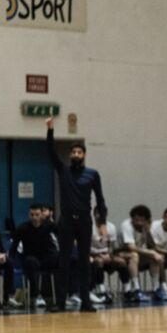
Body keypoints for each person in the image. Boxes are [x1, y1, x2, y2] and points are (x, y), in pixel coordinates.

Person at [46, 116, 106, 313]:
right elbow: (50, 152)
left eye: (79, 152)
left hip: (84, 222)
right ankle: (61, 302)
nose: (75, 154)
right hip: (66, 223)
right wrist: (50, 130)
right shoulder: (63, 171)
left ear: (84, 154)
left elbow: (100, 199)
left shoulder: (93, 174)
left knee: (84, 263)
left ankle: (86, 302)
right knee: (63, 262)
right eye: (73, 152)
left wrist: (102, 222)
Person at [118, 205, 167, 301]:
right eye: (136, 220)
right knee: (135, 255)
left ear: (146, 220)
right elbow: (130, 247)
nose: (138, 223)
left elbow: (153, 246)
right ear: (132, 218)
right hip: (120, 253)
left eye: (141, 220)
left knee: (156, 257)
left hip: (136, 254)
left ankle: (156, 289)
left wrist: (148, 231)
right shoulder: (126, 225)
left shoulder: (145, 227)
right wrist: (152, 253)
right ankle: (136, 290)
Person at [9, 203, 60, 309]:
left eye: (37, 215)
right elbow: (13, 248)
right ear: (29, 215)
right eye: (32, 215)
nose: (34, 218)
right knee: (30, 262)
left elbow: (62, 235)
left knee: (63, 259)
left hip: (47, 258)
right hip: (32, 259)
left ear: (42, 214)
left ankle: (66, 295)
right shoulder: (22, 228)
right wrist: (10, 260)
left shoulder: (49, 225)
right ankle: (37, 296)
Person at [89, 207, 130, 304]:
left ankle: (127, 289)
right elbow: (85, 246)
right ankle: (101, 290)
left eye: (102, 214)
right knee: (99, 261)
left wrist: (109, 255)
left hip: (107, 254)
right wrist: (97, 254)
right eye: (98, 213)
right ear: (94, 215)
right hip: (94, 254)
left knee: (122, 262)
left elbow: (111, 246)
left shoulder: (111, 227)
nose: (100, 216)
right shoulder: (89, 227)